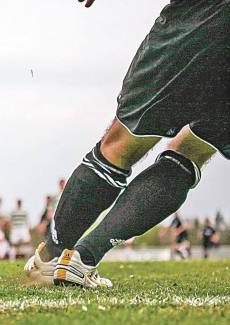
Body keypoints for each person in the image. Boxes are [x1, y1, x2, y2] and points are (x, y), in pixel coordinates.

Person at [26, 0, 229, 288]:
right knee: (192, 151)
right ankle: (83, 259)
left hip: (204, 15)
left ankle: (52, 257)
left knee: (119, 146)